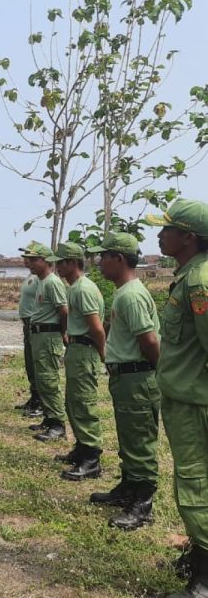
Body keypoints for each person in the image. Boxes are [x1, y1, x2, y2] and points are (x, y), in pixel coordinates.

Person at [145, 198, 208, 597]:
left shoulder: (200, 282)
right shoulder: (189, 276)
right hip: (186, 397)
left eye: (166, 229)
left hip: (195, 402)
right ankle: (198, 559)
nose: (159, 234)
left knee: (196, 484)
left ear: (188, 237)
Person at [87, 232, 161, 531]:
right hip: (127, 377)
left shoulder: (130, 295)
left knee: (140, 440)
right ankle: (128, 488)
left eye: (104, 256)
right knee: (130, 438)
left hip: (137, 377)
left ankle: (142, 503)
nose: (99, 262)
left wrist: (160, 374)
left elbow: (150, 340)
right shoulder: (124, 292)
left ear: (119, 259)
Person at [48, 242, 106, 482]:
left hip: (85, 351)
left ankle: (91, 459)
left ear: (72, 263)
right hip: (76, 349)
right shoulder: (74, 288)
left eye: (60, 262)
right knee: (73, 403)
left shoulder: (83, 289)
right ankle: (82, 449)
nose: (57, 267)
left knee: (84, 404)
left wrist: (104, 356)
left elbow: (97, 329)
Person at [23, 242, 69, 441]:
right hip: (39, 334)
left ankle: (58, 423)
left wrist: (63, 333)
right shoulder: (40, 281)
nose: (29, 263)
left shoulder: (52, 282)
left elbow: (63, 310)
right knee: (42, 379)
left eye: (34, 260)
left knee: (49, 380)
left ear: (46, 261)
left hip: (49, 335)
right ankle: (49, 419)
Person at [16, 247, 43, 417]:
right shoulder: (31, 277)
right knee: (30, 364)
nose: (26, 260)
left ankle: (41, 402)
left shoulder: (42, 279)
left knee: (37, 365)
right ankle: (34, 397)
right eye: (25, 256)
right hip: (28, 326)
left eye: (30, 257)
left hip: (36, 325)